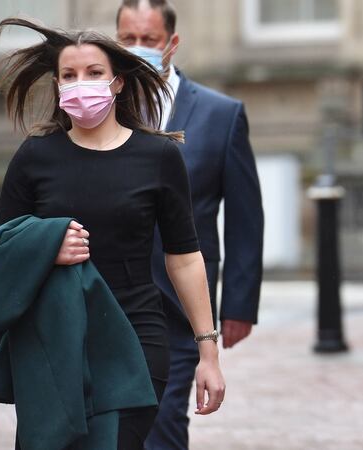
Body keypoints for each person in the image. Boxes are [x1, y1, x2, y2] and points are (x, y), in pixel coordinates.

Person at [0, 18, 225, 449]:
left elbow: (185, 256)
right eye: (69, 75)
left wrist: (208, 351)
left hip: (137, 339)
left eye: (94, 73)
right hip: (54, 342)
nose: (81, 84)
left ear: (116, 82)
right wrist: (47, 246)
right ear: (57, 86)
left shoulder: (158, 156)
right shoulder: (34, 157)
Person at [114, 1, 264, 448]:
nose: (137, 49)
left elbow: (244, 216)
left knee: (162, 426)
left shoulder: (222, 115)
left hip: (180, 304)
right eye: (127, 39)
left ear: (171, 44)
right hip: (111, 292)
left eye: (149, 40)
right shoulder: (98, 108)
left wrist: (239, 302)